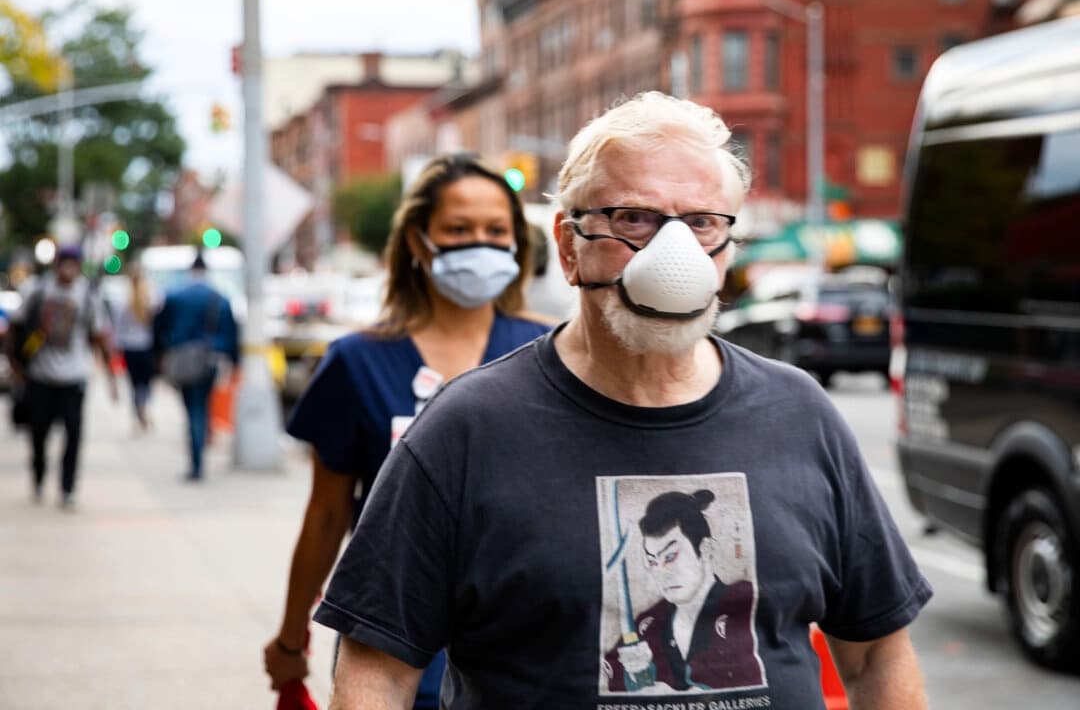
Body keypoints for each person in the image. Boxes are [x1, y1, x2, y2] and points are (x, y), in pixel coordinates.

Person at [314, 92, 932, 709]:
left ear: (727, 248)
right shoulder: (466, 429)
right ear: (568, 246)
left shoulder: (801, 415)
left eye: (701, 222)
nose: (675, 253)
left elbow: (877, 653)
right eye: (633, 218)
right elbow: (378, 670)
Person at [262, 152, 551, 708]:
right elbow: (326, 514)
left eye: (497, 231)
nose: (481, 245)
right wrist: (292, 636)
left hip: (530, 650)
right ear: (420, 242)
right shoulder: (357, 361)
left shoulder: (555, 353)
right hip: (397, 652)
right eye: (459, 230)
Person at [602, 488, 762, 693]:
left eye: (670, 557)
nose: (661, 572)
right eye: (652, 561)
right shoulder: (647, 624)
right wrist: (632, 677)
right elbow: (610, 681)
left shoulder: (743, 602)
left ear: (705, 549)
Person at [4, 244, 117, 508]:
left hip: (74, 378)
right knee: (38, 435)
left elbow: (100, 337)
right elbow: (14, 328)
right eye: (64, 262)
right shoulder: (37, 290)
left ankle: (67, 487)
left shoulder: (87, 295)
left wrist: (112, 378)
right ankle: (39, 474)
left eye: (73, 263)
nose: (68, 268)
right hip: (40, 377)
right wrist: (15, 365)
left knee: (74, 435)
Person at [152, 251, 239, 481]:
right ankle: (199, 458)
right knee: (202, 407)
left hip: (183, 360)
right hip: (210, 360)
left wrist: (160, 354)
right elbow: (231, 332)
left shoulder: (175, 295)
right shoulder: (219, 297)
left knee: (192, 410)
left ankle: (196, 463)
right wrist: (234, 361)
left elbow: (158, 326)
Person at [111, 263, 158, 432]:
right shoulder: (150, 300)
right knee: (145, 383)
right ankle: (143, 407)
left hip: (129, 348)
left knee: (133, 383)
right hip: (145, 347)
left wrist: (115, 348)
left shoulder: (123, 302)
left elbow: (117, 329)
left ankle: (137, 413)